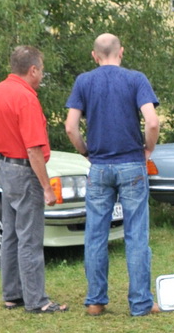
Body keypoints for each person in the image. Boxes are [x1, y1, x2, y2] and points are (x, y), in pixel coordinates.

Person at [64, 34, 160, 317]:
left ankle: (95, 300)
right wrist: (148, 150)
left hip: (100, 167)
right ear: (122, 53)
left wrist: (85, 152)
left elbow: (71, 127)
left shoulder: (84, 81)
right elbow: (152, 121)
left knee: (95, 235)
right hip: (132, 164)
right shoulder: (136, 79)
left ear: (95, 56)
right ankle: (141, 303)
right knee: (136, 235)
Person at [0, 45, 67, 313]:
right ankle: (37, 300)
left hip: (4, 167)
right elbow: (33, 148)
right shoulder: (26, 98)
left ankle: (13, 294)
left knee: (10, 234)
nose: (42, 75)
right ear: (32, 70)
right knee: (30, 236)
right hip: (23, 170)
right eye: (41, 70)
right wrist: (46, 187)